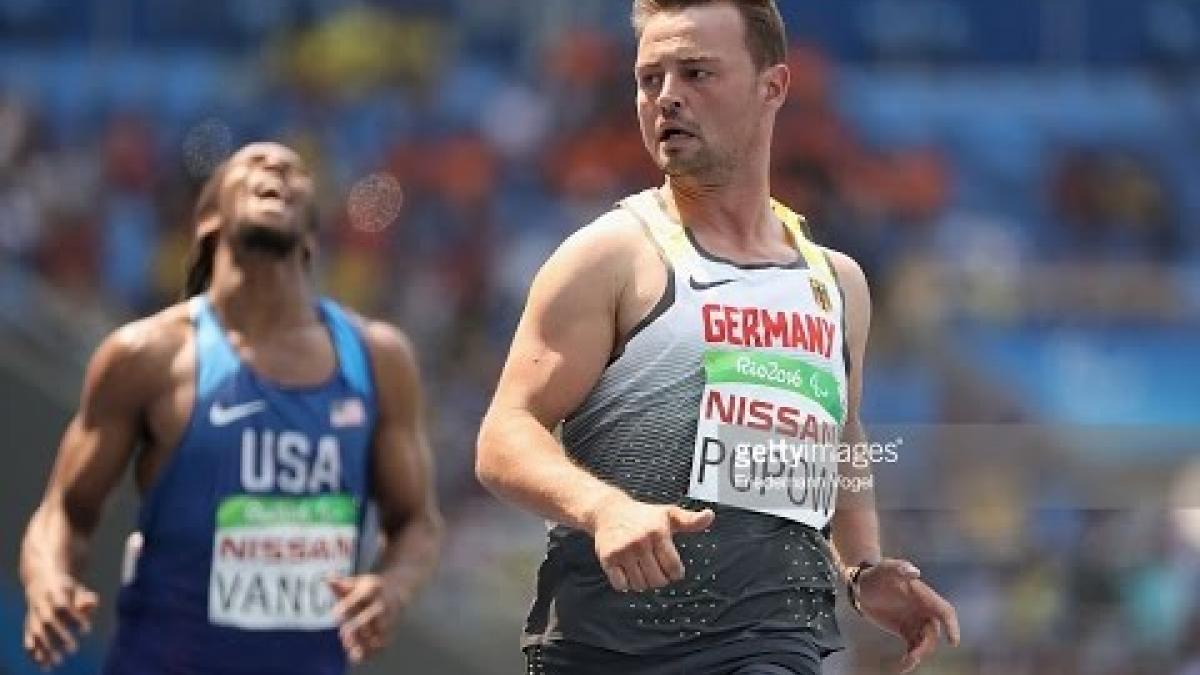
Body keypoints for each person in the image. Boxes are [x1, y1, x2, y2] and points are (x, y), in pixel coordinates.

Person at [476, 2, 959, 673]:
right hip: (603, 648)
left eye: (697, 72)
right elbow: (504, 434)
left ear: (773, 87)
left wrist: (862, 564)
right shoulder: (612, 257)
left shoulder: (837, 282)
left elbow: (840, 434)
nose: (667, 95)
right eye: (650, 79)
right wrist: (604, 507)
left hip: (771, 641)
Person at [19, 142, 442, 674]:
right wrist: (49, 582)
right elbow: (64, 513)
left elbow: (416, 524)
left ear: (311, 234)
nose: (276, 169)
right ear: (209, 218)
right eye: (254, 164)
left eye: (294, 170)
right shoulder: (146, 356)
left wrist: (392, 590)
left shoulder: (378, 359)